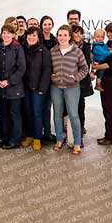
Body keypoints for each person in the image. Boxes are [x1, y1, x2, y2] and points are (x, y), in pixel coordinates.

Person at [49, 25, 88, 155]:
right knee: (57, 114)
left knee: (73, 114)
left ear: (70, 36)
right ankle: (59, 140)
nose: (62, 37)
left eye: (65, 35)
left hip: (72, 88)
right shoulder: (53, 51)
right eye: (60, 35)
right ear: (57, 36)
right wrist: (51, 76)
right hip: (56, 87)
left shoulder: (77, 51)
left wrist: (75, 78)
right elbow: (48, 67)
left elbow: (84, 69)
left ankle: (77, 142)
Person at [0, 24, 26, 149]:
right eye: (4, 32)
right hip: (1, 88)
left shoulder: (18, 48)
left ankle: (15, 141)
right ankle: (5, 139)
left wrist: (8, 81)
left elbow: (21, 68)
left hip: (14, 88)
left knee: (15, 115)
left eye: (9, 33)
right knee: (3, 115)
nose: (6, 35)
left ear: (13, 35)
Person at [22, 26, 51, 151]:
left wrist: (42, 88)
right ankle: (29, 135)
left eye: (34, 35)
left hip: (38, 88)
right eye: (29, 35)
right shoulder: (23, 49)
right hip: (25, 87)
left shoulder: (43, 51)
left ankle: (37, 138)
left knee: (37, 113)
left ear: (39, 37)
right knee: (28, 112)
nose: (31, 37)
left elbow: (47, 70)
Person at [71, 24, 94, 139]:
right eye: (76, 32)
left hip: (82, 80)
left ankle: (80, 127)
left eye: (80, 33)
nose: (78, 35)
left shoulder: (87, 46)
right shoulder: (66, 46)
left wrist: (92, 71)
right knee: (69, 106)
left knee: (80, 104)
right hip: (69, 80)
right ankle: (69, 130)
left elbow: (91, 61)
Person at [39, 15, 57, 143]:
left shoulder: (55, 40)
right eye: (45, 24)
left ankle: (47, 132)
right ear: (41, 25)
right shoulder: (37, 39)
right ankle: (37, 132)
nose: (47, 27)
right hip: (38, 78)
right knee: (38, 108)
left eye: (49, 24)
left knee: (47, 107)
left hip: (51, 78)